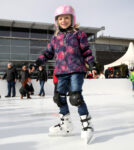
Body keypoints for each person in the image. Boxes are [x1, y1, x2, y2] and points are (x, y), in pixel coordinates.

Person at [34, 5, 96, 143]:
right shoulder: (55, 38)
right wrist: (38, 62)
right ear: (56, 21)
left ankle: (87, 124)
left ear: (72, 19)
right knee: (59, 97)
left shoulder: (79, 34)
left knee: (75, 97)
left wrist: (92, 64)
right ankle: (65, 124)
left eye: (66, 18)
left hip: (76, 69)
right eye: (60, 18)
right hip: (61, 71)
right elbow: (48, 53)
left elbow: (86, 51)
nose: (63, 21)